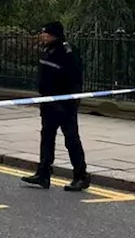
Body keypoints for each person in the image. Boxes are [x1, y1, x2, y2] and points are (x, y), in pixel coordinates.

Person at [21, 21, 90, 192]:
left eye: (45, 33)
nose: (42, 36)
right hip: (48, 102)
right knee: (47, 138)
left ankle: (81, 176)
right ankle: (43, 174)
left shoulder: (67, 52)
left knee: (71, 140)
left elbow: (75, 80)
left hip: (64, 105)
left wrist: (69, 103)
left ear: (54, 34)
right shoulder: (48, 49)